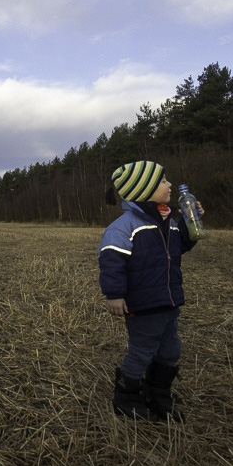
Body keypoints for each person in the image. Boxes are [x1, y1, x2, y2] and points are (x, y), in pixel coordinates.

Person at [97, 160, 202, 422]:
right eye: (163, 181)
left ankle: (159, 397)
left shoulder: (168, 220)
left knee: (170, 350)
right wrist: (114, 294)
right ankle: (126, 397)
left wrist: (192, 223)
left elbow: (181, 246)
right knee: (142, 350)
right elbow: (111, 260)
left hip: (168, 301)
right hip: (143, 304)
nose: (169, 185)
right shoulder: (125, 226)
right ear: (145, 190)